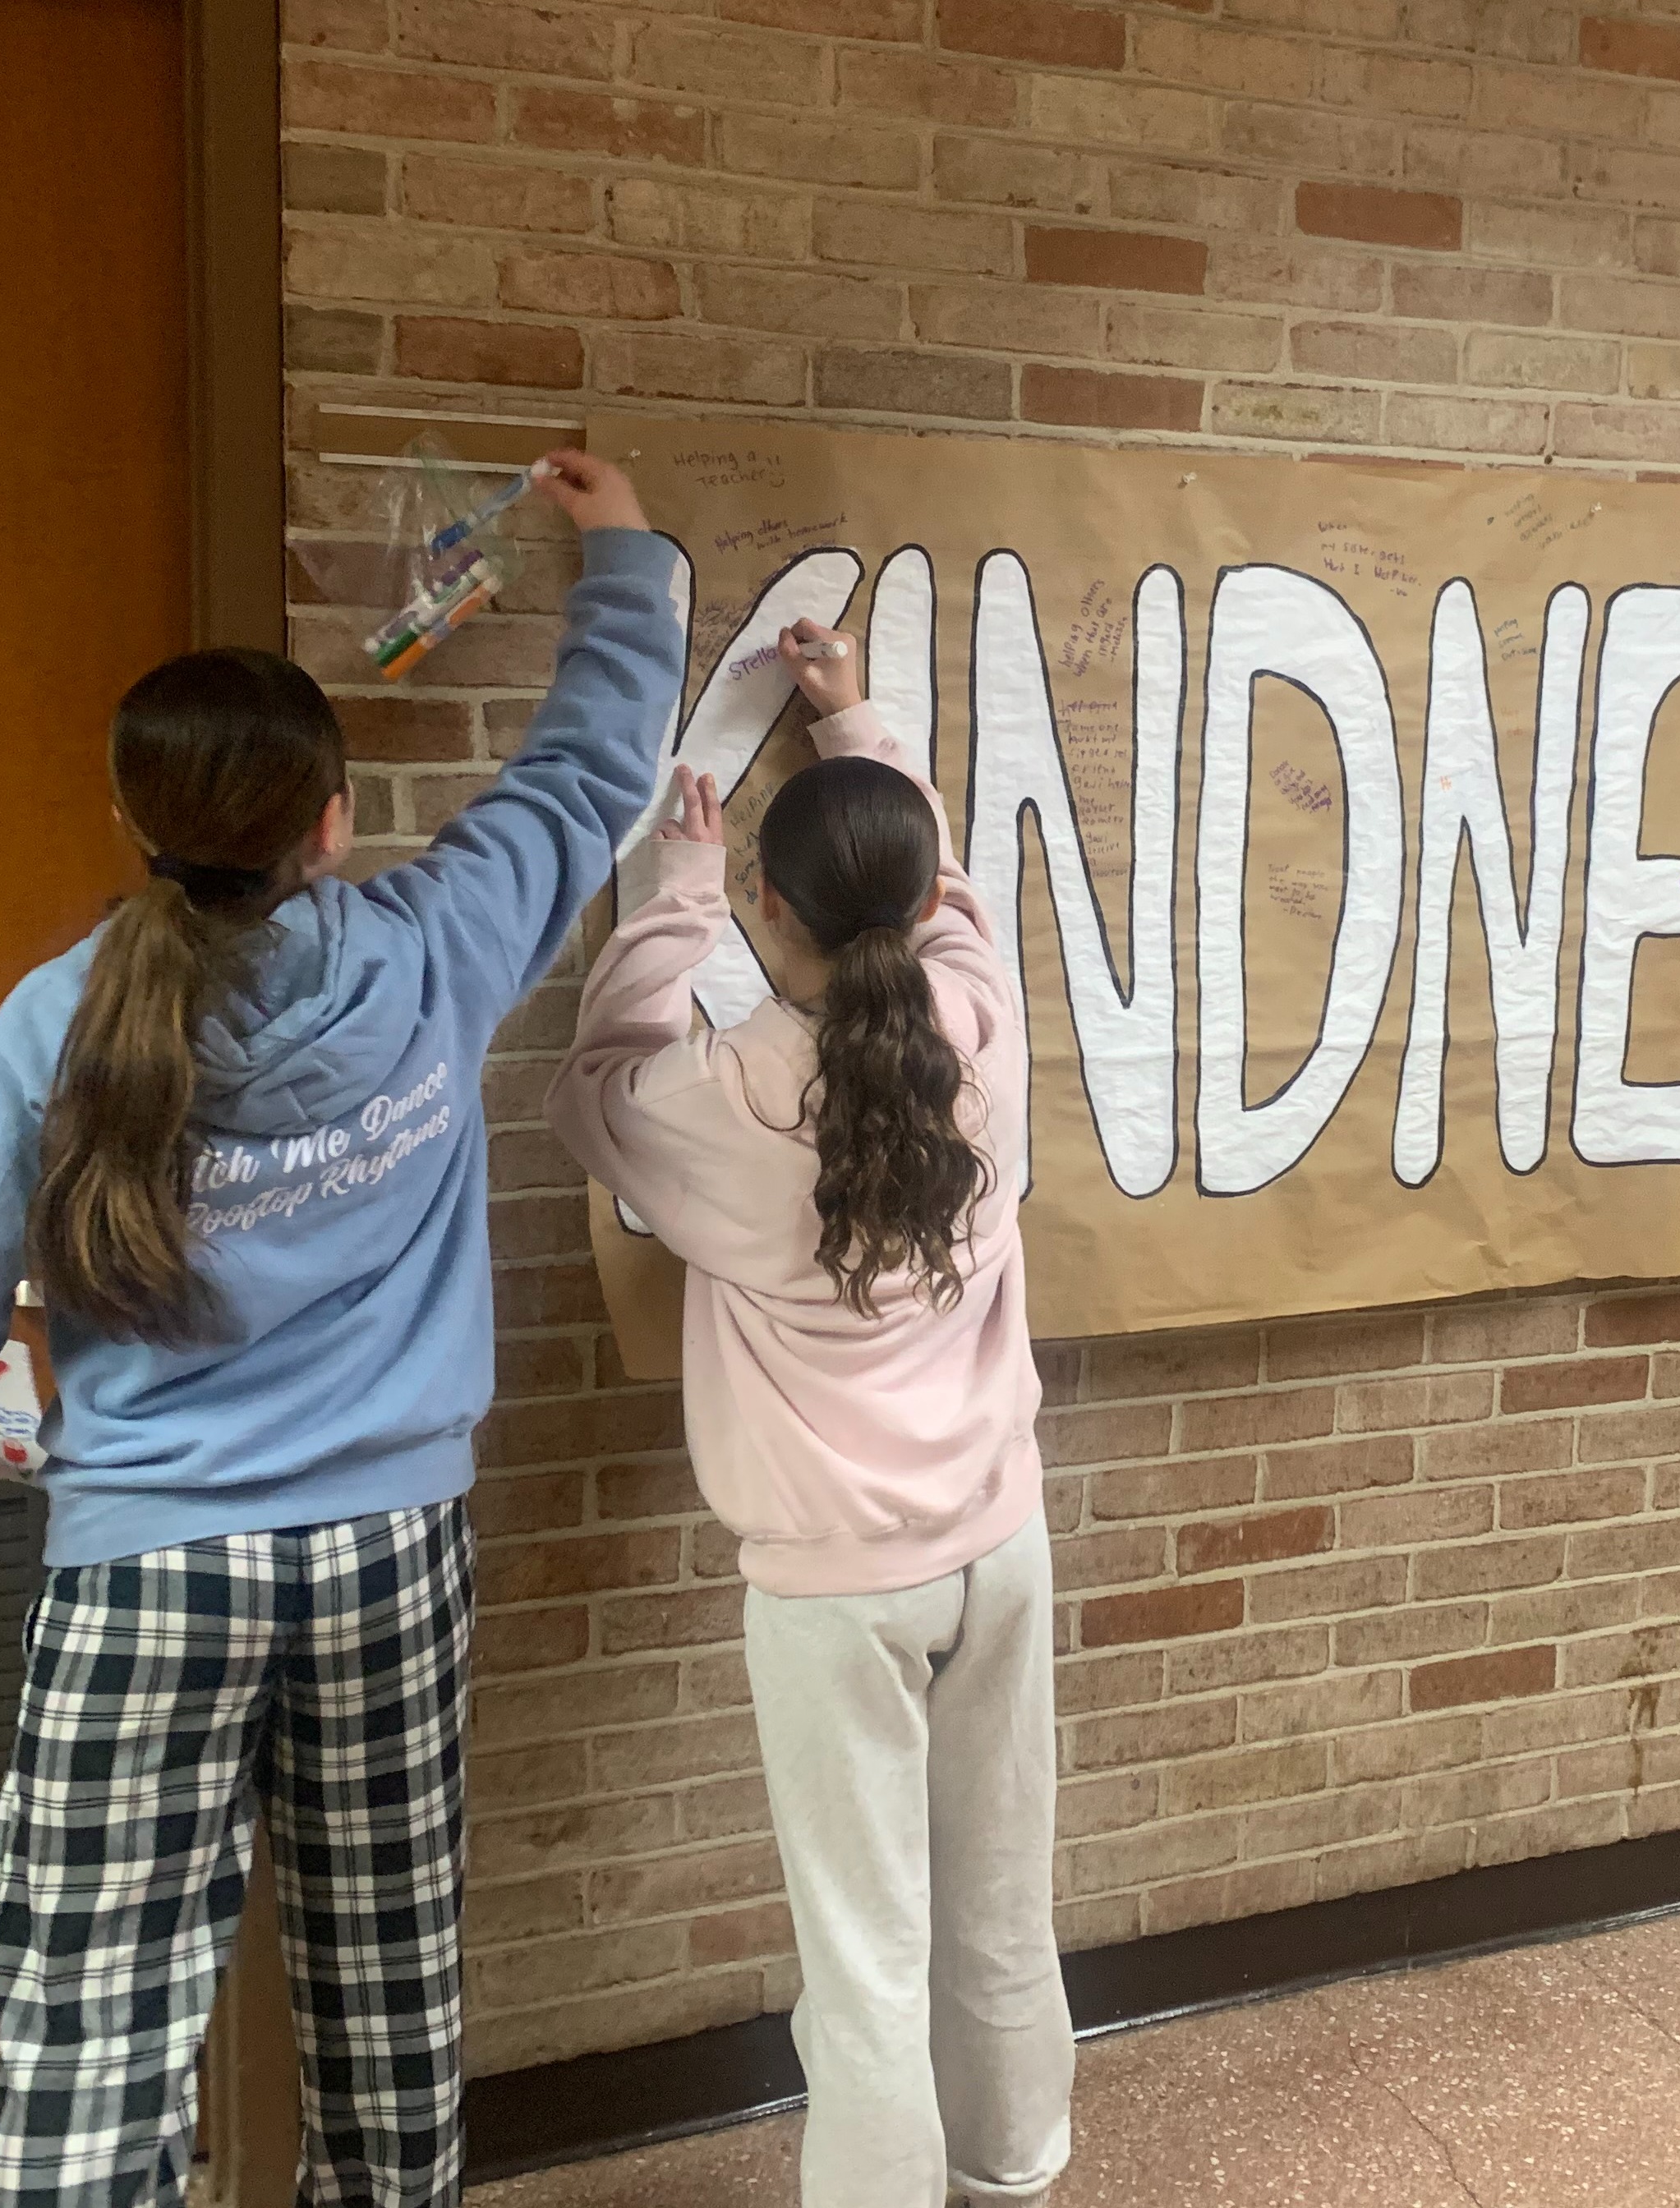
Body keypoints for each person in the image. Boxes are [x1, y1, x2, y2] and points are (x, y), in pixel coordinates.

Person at [0, 449, 678, 2207]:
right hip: (390, 1554)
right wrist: (628, 553)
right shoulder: (434, 948)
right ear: (333, 819)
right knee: (386, 2000)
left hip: (146, 1567)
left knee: (94, 2039)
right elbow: (588, 777)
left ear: (135, 827)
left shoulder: (64, 1020)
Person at [544, 628, 1070, 2208]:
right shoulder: (980, 1027)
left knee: (865, 1949)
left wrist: (680, 885)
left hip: (836, 1591)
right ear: (916, 909)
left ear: (775, 911)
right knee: (995, 1900)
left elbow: (592, 1083)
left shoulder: (725, 1097)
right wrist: (855, 720)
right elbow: (954, 894)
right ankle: (1015, 2165)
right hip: (1002, 1544)